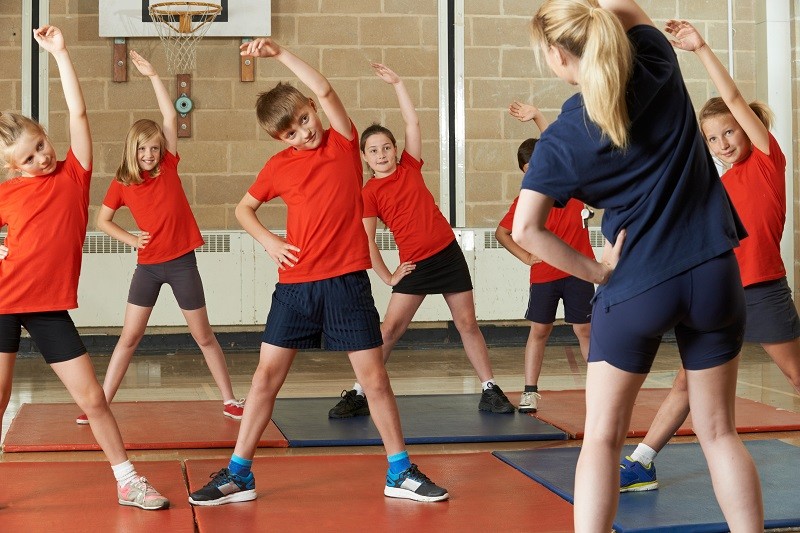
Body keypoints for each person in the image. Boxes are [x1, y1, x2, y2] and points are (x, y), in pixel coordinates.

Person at [512, 1, 763, 531]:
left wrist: (596, 272)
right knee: (719, 433)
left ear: (558, 57)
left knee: (603, 437)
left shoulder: (562, 136)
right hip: (714, 272)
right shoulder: (655, 61)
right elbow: (624, 8)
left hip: (637, 284)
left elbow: (524, 230)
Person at [188, 38, 448, 506]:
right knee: (265, 379)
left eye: (305, 120)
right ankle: (239, 474)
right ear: (278, 140)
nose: (304, 133)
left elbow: (327, 90)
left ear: (312, 109)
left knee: (374, 381)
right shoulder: (277, 167)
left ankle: (400, 471)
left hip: (347, 283)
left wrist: (280, 54)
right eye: (291, 132)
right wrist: (269, 241)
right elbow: (244, 209)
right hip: (295, 287)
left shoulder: (345, 144)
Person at [619, 19, 800, 493]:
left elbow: (734, 99)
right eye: (713, 139)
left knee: (796, 373)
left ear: (746, 130)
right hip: (719, 293)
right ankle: (642, 461)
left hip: (761, 290)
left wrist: (700, 49)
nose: (722, 144)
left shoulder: (766, 160)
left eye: (728, 133)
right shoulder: (720, 183)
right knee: (686, 383)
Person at [0, 26, 169, 510]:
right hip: (4, 301)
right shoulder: (8, 192)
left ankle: (127, 480)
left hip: (48, 307)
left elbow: (78, 111)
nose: (41, 155)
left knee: (93, 398)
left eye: (40, 144)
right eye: (29, 157)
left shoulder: (74, 174)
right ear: (14, 167)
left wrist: (61, 54)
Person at [327, 63, 514, 419]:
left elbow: (413, 123)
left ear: (396, 150)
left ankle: (489, 388)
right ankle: (359, 391)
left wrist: (399, 83)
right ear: (365, 157)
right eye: (373, 151)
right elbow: (367, 240)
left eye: (386, 147)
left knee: (467, 324)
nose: (381, 154)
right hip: (414, 264)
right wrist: (388, 276)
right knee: (390, 329)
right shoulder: (369, 192)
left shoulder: (410, 167)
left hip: (447, 254)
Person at [75, 51, 243, 425]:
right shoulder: (123, 183)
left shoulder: (169, 165)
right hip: (148, 268)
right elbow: (101, 221)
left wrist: (152, 74)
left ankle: (230, 399)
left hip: (181, 262)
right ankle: (98, 403)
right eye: (143, 148)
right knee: (129, 338)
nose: (150, 153)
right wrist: (132, 240)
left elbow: (170, 117)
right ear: (132, 149)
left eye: (154, 147)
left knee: (203, 336)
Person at [496, 101, 594, 413]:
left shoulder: (571, 187)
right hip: (545, 276)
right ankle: (529, 391)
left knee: (585, 330)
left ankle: (601, 389)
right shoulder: (525, 200)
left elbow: (557, 145)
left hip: (579, 271)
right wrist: (524, 256)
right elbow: (502, 232)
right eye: (530, 169)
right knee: (539, 331)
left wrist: (539, 116)